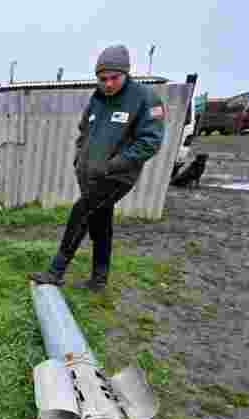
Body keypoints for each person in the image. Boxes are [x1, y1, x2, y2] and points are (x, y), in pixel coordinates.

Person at [30, 44, 165, 291]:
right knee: (100, 224)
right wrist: (79, 158)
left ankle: (55, 272)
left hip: (117, 176)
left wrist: (112, 165)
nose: (108, 84)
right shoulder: (98, 99)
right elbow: (84, 132)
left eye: (114, 78)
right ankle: (99, 280)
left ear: (126, 73)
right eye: (103, 79)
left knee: (81, 212)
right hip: (90, 176)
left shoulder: (145, 98)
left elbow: (150, 142)